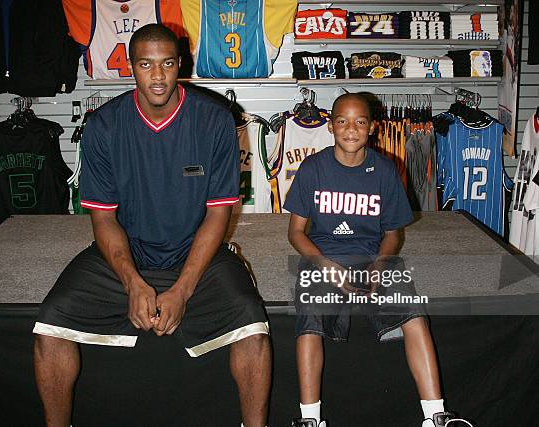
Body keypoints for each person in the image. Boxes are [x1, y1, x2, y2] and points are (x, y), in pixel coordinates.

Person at [32, 24, 271, 427]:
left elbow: (218, 214)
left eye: (167, 64)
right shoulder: (105, 126)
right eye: (146, 65)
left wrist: (182, 289)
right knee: (50, 324)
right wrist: (132, 282)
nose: (158, 76)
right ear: (132, 67)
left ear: (181, 65)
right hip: (128, 251)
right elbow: (103, 219)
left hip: (196, 251)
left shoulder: (214, 121)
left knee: (253, 327)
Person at [284, 93, 472, 427]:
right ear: (331, 126)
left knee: (414, 315)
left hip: (374, 256)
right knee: (310, 319)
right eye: (342, 121)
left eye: (360, 122)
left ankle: (436, 415)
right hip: (324, 257)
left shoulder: (385, 170)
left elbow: (392, 233)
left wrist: (380, 266)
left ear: (372, 128)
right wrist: (324, 264)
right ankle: (310, 418)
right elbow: (296, 233)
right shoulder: (313, 168)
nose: (351, 129)